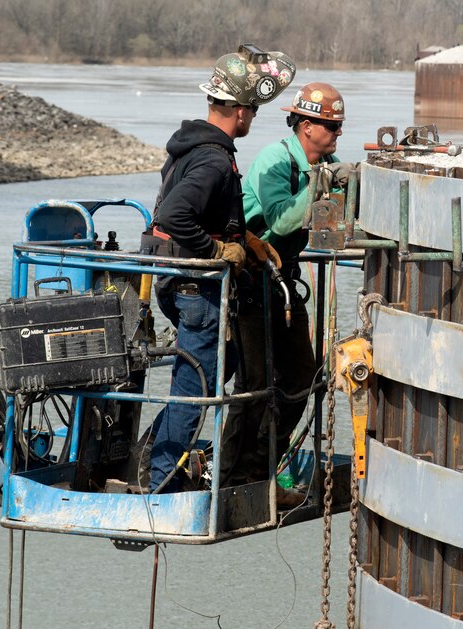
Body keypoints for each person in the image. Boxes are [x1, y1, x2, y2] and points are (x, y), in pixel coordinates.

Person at [143, 48, 293, 494]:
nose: (253, 119)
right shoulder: (213, 159)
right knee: (197, 385)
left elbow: (194, 212)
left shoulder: (192, 147)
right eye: (254, 111)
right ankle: (158, 485)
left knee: (205, 375)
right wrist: (216, 249)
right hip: (194, 284)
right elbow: (174, 215)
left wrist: (245, 240)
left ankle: (154, 457)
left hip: (175, 280)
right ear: (243, 111)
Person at [219, 82, 350, 488]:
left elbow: (337, 221)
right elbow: (280, 221)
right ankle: (229, 476)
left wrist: (346, 188)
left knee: (302, 377)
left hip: (282, 281)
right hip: (250, 280)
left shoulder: (325, 163)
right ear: (306, 125)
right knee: (254, 382)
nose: (337, 134)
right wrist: (321, 184)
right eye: (331, 126)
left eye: (340, 126)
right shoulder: (275, 161)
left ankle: (262, 467)